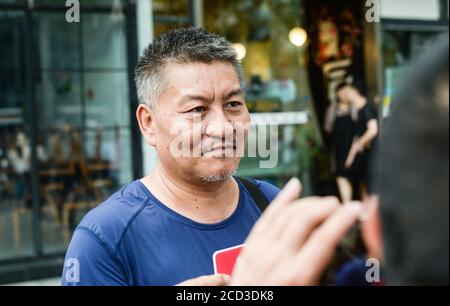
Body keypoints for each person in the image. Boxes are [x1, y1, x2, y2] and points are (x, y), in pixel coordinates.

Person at [62, 28, 280, 286]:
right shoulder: (106, 239)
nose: (222, 128)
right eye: (197, 109)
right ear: (148, 123)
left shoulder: (272, 207)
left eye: (233, 104)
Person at [230, 35, 448, 286]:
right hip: (343, 152)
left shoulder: (364, 109)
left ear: (374, 230)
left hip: (356, 155)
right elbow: (330, 128)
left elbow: (372, 128)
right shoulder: (339, 109)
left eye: (235, 103)